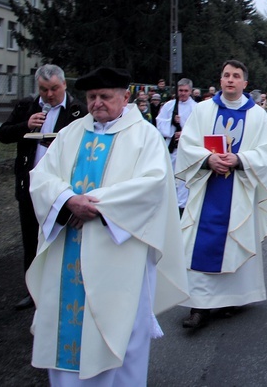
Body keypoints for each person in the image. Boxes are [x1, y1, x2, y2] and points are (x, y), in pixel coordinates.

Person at [27, 66, 188, 383]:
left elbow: (152, 186)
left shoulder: (145, 137)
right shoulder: (71, 133)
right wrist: (66, 200)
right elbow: (41, 177)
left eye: (105, 96)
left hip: (120, 256)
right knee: (65, 329)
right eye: (91, 97)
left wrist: (94, 203)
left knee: (121, 332)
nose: (97, 103)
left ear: (125, 97)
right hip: (68, 252)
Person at [175, 60, 267, 329]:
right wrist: (208, 160)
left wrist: (239, 159)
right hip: (208, 185)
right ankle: (199, 306)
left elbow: (266, 151)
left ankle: (232, 298)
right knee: (200, 242)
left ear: (245, 83)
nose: (230, 80)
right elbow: (187, 144)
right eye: (226, 75)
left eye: (236, 76)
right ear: (220, 80)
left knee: (235, 241)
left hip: (240, 187)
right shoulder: (203, 110)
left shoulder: (257, 115)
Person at [0, 64, 87, 310]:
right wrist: (25, 125)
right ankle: (33, 291)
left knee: (60, 238)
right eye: (44, 89)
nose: (49, 95)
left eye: (54, 88)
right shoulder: (28, 107)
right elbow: (3, 134)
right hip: (30, 186)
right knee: (31, 240)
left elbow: (87, 146)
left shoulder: (78, 110)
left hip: (63, 188)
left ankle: (62, 288)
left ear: (64, 85)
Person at [157, 78, 198, 212]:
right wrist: (171, 122)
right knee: (170, 175)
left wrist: (184, 133)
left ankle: (183, 207)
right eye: (180, 90)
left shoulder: (196, 108)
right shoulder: (169, 105)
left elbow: (199, 128)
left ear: (190, 91)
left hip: (187, 148)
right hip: (172, 146)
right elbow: (159, 122)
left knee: (184, 178)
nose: (183, 93)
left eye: (186, 91)